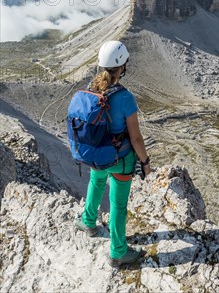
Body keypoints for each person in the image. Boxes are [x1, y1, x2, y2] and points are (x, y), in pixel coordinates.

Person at [74, 40, 152, 268]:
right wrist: (145, 162)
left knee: (96, 183)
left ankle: (88, 221)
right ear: (122, 66)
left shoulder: (91, 87)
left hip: (96, 155)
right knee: (118, 205)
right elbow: (135, 138)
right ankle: (118, 251)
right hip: (119, 160)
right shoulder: (125, 98)